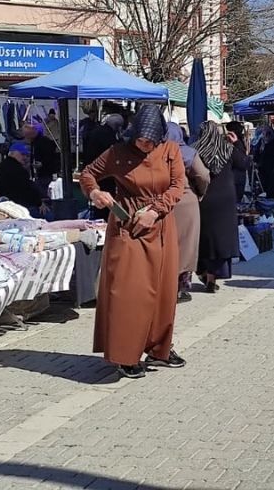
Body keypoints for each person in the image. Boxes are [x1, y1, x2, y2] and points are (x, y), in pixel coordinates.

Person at [81, 106, 187, 379]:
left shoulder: (170, 150)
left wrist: (155, 211)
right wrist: (96, 192)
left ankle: (159, 349)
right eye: (141, 139)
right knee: (129, 292)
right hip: (127, 225)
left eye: (151, 141)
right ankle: (125, 354)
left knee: (163, 291)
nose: (146, 145)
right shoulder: (117, 153)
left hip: (160, 224)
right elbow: (88, 174)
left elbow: (177, 187)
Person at [193, 120, 244, 293]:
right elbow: (244, 164)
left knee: (204, 239)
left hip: (203, 198)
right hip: (225, 200)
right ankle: (214, 276)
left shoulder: (195, 150)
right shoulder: (228, 149)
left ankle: (205, 273)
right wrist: (237, 142)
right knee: (220, 239)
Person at [167, 123, 209, 304]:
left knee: (166, 246)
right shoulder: (187, 153)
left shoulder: (155, 152)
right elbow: (203, 176)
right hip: (185, 202)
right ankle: (180, 287)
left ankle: (164, 285)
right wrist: (200, 193)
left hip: (161, 204)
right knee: (186, 245)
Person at [0, 142, 42, 212]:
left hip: (5, 204)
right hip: (18, 207)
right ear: (12, 153)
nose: (25, 158)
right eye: (22, 154)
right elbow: (29, 189)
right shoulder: (17, 169)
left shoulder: (3, 165)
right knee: (49, 214)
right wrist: (40, 203)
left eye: (27, 156)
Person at [23, 120, 60, 187]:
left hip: (46, 174)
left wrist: (42, 163)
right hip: (39, 174)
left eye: (26, 135)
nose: (26, 138)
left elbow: (51, 156)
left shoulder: (44, 141)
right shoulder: (34, 142)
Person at [226, 121, 250, 200]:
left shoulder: (237, 143)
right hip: (236, 179)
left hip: (235, 179)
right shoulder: (238, 143)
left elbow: (241, 161)